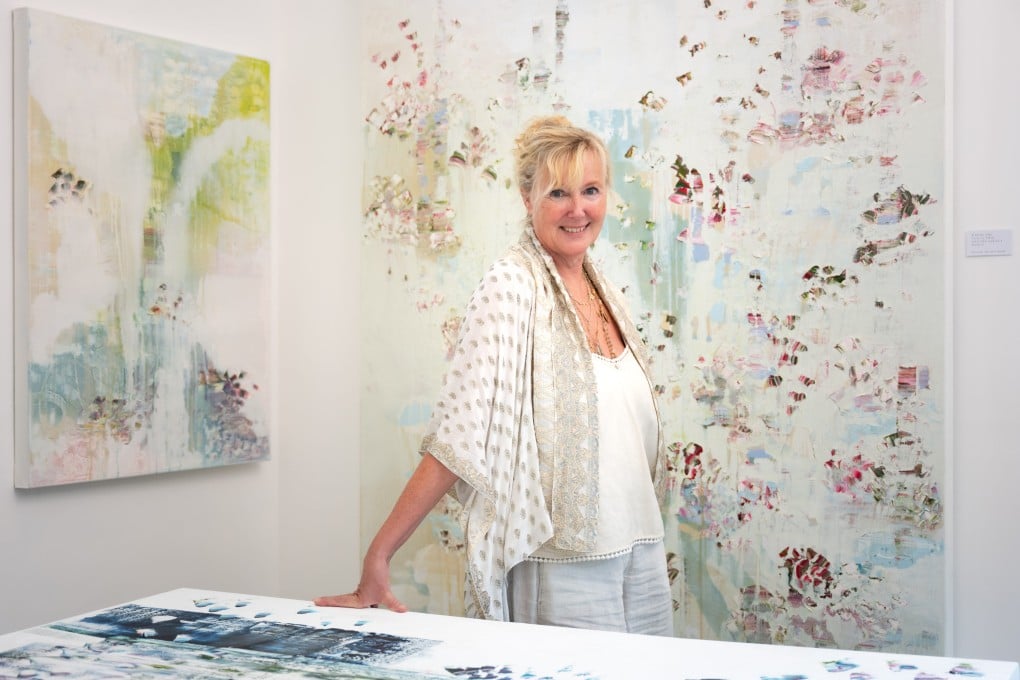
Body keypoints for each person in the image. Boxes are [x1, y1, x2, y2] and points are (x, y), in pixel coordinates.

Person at [316, 115, 673, 636]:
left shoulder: (606, 292)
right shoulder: (511, 287)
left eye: (591, 190)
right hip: (564, 569)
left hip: (642, 552)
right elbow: (460, 435)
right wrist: (380, 555)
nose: (578, 209)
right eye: (558, 193)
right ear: (528, 198)